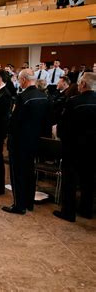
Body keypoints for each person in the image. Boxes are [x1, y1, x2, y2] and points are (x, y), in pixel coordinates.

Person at [2, 69, 50, 215]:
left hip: (19, 142)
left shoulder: (22, 97)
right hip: (35, 141)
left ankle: (19, 205)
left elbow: (14, 121)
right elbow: (47, 122)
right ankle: (29, 202)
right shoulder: (44, 97)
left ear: (23, 80)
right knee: (30, 172)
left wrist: (8, 134)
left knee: (18, 174)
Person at [54, 73, 96, 222]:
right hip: (93, 149)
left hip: (73, 147)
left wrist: (62, 139)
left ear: (83, 84)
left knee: (70, 180)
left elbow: (63, 126)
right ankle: (86, 210)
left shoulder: (73, 101)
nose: (78, 85)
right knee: (88, 180)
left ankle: (68, 212)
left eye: (79, 82)